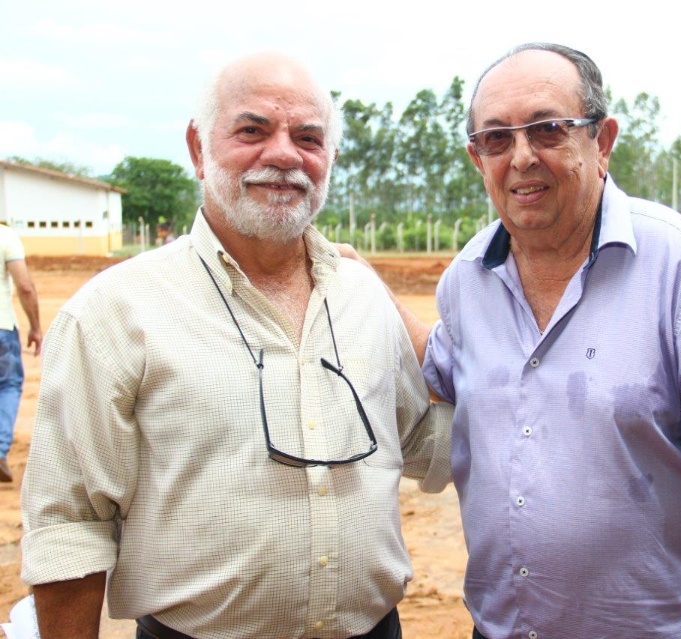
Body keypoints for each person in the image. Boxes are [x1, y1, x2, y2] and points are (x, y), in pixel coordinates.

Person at [344, 43, 681, 638]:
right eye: (497, 139)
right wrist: (366, 288)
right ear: (477, 157)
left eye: (548, 130)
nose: (522, 157)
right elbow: (455, 369)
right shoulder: (467, 279)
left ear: (602, 141)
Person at [20, 52, 452, 639]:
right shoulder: (115, 313)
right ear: (198, 148)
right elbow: (71, 524)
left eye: (308, 137)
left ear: (330, 158)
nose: (283, 154)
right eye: (252, 131)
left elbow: (426, 446)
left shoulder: (365, 298)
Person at [0, 222, 41, 482]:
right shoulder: (5, 236)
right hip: (2, 327)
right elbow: (24, 285)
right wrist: (35, 328)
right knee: (8, 384)